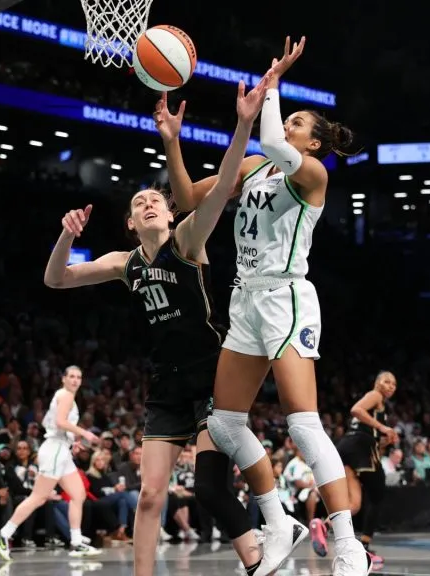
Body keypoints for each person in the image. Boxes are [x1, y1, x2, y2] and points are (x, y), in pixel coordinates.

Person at [32, 71, 272, 576]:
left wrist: (238, 126)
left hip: (212, 375)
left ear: (168, 214)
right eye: (138, 202)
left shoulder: (188, 240)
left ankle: (255, 558)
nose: (147, 203)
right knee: (148, 497)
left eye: (156, 200)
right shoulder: (125, 262)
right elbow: (58, 280)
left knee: (210, 487)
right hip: (166, 385)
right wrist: (64, 237)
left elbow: (225, 183)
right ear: (130, 222)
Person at [158, 36, 369, 575]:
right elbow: (188, 201)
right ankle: (278, 522)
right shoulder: (254, 166)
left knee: (303, 425)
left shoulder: (313, 176)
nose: (291, 125)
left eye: (301, 122)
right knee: (225, 424)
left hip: (287, 298)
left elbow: (275, 141)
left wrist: (270, 92)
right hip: (245, 297)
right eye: (291, 118)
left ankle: (348, 544)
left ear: (315, 144)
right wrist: (174, 142)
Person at [0, 366, 102, 558]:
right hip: (54, 450)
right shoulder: (65, 395)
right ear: (63, 379)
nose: (75, 380)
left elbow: (52, 424)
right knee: (38, 497)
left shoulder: (64, 396)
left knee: (78, 494)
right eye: (71, 376)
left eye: (78, 377)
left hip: (61, 449)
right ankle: (3, 534)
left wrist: (72, 442)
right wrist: (84, 434)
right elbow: (60, 422)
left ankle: (76, 542)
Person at [310, 372, 397, 566]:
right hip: (360, 447)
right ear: (377, 383)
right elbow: (356, 409)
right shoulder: (376, 395)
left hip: (349, 448)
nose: (390, 386)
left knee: (354, 505)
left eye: (394, 384)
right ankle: (365, 547)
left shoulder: (376, 407)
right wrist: (383, 428)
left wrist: (384, 439)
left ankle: (322, 526)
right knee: (377, 494)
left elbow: (369, 431)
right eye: (386, 381)